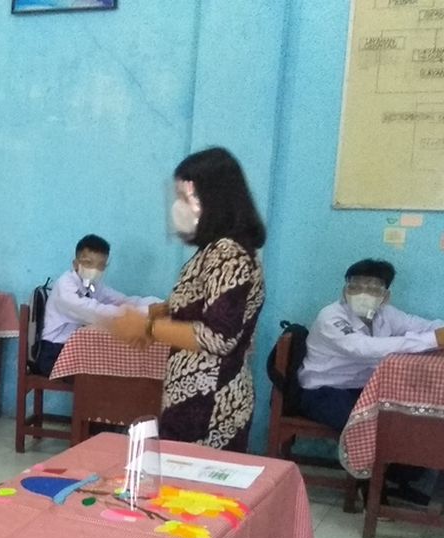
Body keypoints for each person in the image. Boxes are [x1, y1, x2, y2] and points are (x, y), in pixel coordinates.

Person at [105, 147, 266, 452]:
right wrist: (164, 313)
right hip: (194, 394)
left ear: (212, 199)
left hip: (210, 400)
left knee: (197, 493)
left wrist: (148, 328)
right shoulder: (213, 250)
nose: (177, 207)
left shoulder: (227, 252)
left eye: (184, 197)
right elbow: (208, 307)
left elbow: (218, 336)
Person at [299, 258, 443, 502]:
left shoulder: (385, 314)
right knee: (369, 428)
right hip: (323, 391)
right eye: (356, 285)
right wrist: (432, 340)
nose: (363, 293)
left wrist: (437, 332)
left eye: (372, 287)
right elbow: (364, 348)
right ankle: (370, 488)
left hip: (361, 390)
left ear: (385, 296)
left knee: (406, 422)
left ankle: (394, 479)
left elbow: (424, 325)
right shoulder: (331, 317)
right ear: (345, 289)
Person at [33, 234, 161, 376]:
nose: (94, 269)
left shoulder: (93, 285)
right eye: (88, 263)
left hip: (73, 349)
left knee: (120, 366)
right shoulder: (65, 287)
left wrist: (157, 304)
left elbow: (122, 300)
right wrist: (146, 312)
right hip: (53, 353)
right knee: (106, 375)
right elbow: (93, 311)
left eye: (100, 266)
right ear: (75, 264)